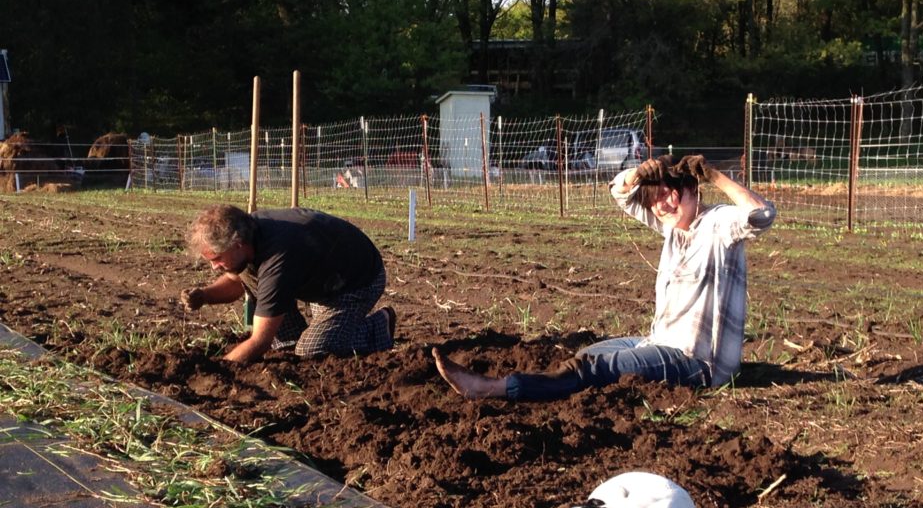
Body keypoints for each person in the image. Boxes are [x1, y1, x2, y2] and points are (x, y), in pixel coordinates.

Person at [433, 153, 775, 400]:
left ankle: (491, 388)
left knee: (596, 370)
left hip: (697, 362)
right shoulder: (671, 227)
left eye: (674, 193)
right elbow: (620, 191)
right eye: (656, 199)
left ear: (692, 189)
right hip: (659, 343)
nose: (666, 204)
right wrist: (639, 173)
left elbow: (762, 214)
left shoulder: (717, 225)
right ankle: (538, 384)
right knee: (589, 354)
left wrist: (715, 175)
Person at [181, 205, 395, 363]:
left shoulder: (277, 259)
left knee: (314, 351)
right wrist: (205, 295)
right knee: (247, 274)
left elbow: (259, 342)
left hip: (356, 282)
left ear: (237, 245)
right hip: (321, 274)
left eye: (216, 259)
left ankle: (377, 327)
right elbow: (235, 280)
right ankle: (290, 339)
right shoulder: (247, 236)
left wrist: (222, 365)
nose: (214, 267)